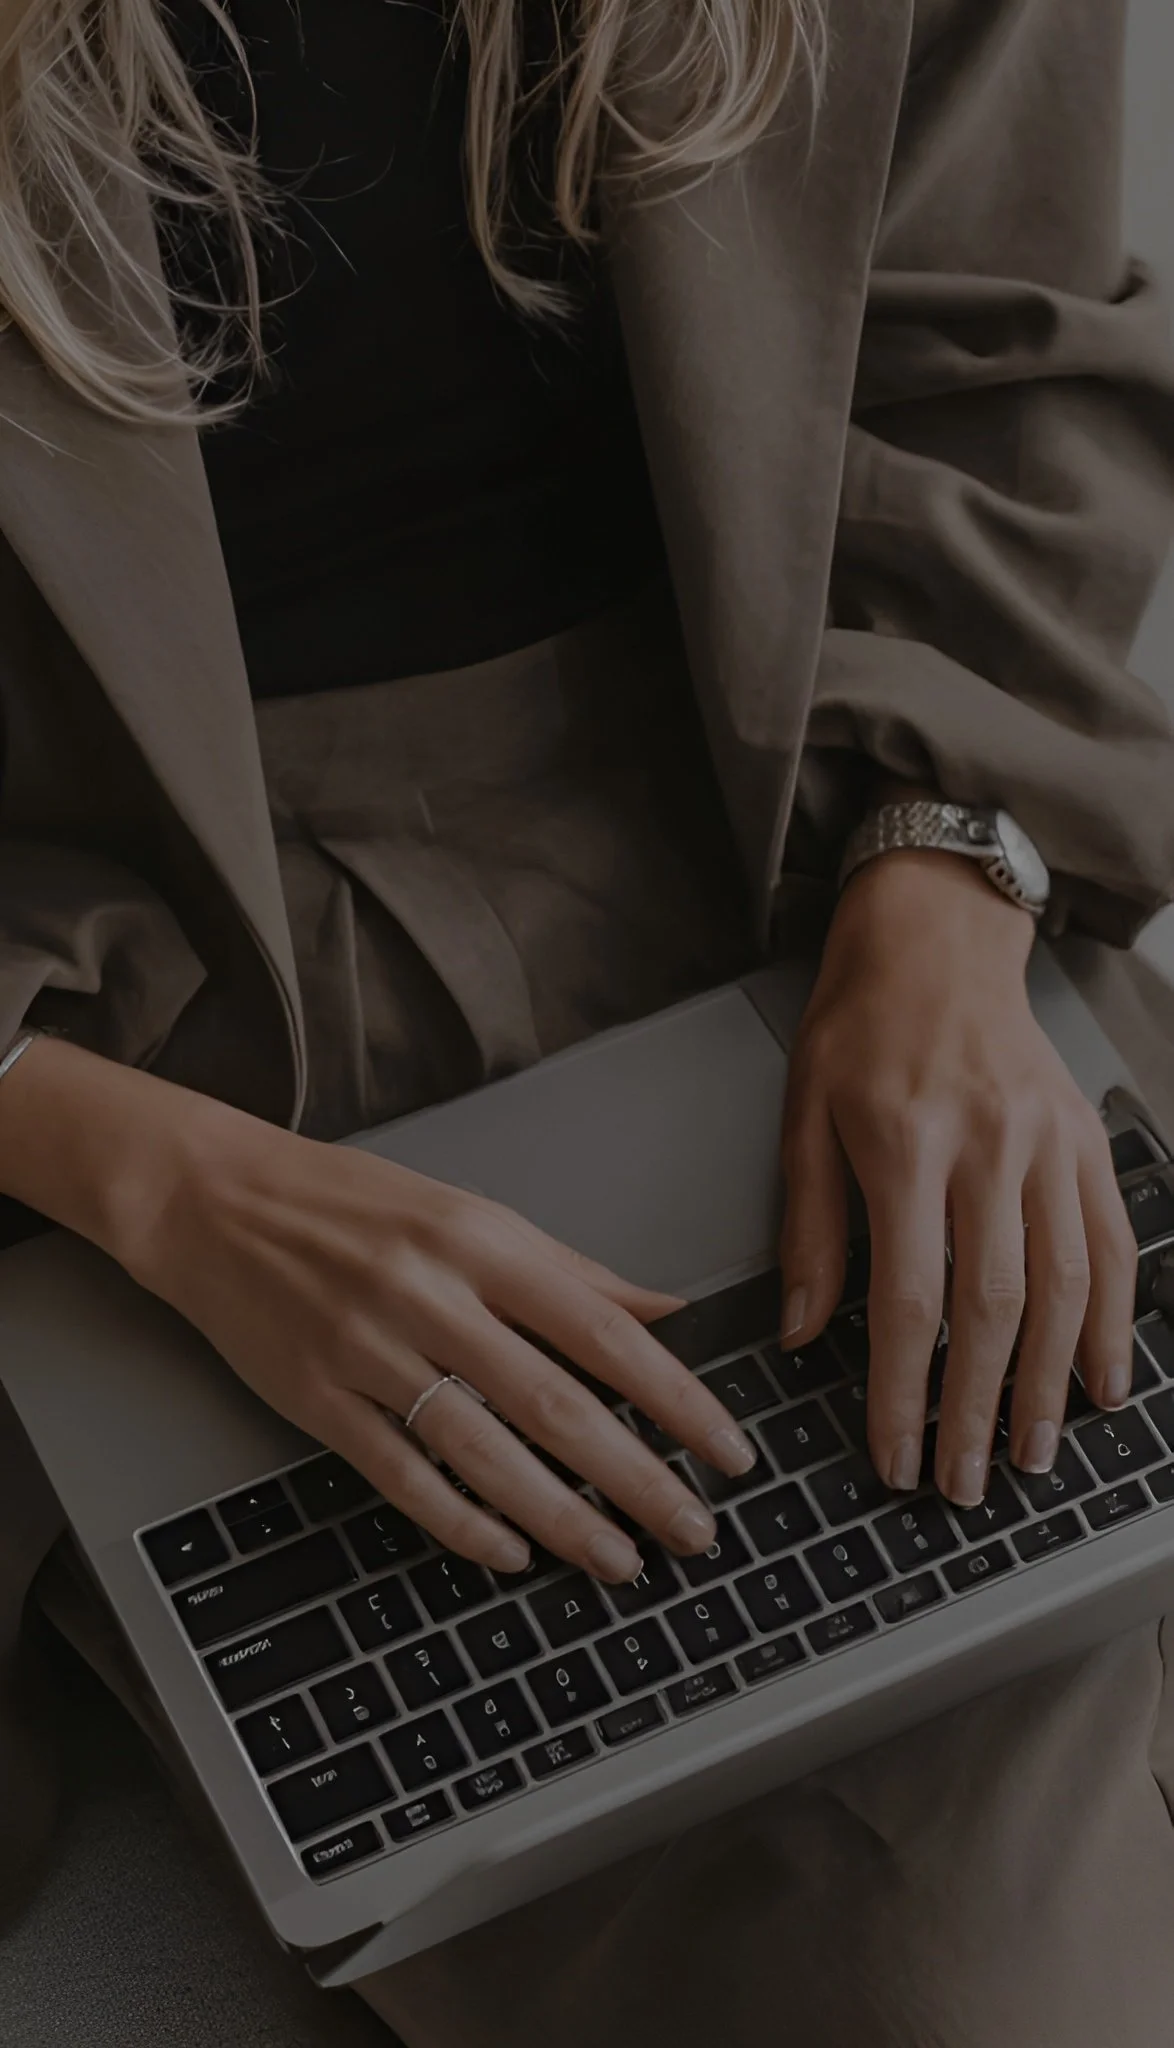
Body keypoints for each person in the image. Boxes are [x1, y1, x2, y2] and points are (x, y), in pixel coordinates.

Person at [0, 0, 1173, 2040]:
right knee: (914, 1957)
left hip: (797, 802)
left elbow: (993, 333)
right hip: (131, 1005)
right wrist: (144, 1174)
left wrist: (943, 867)